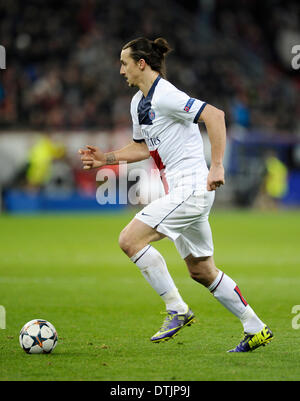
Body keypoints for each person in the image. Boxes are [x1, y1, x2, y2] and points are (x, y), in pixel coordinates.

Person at [79, 37, 273, 352]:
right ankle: (256, 328)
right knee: (201, 270)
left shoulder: (166, 95)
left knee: (130, 240)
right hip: (181, 190)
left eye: (124, 63)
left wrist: (217, 166)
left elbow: (215, 115)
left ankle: (177, 309)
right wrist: (106, 159)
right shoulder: (137, 103)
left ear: (141, 63)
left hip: (193, 187)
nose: (120, 70)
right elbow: (142, 146)